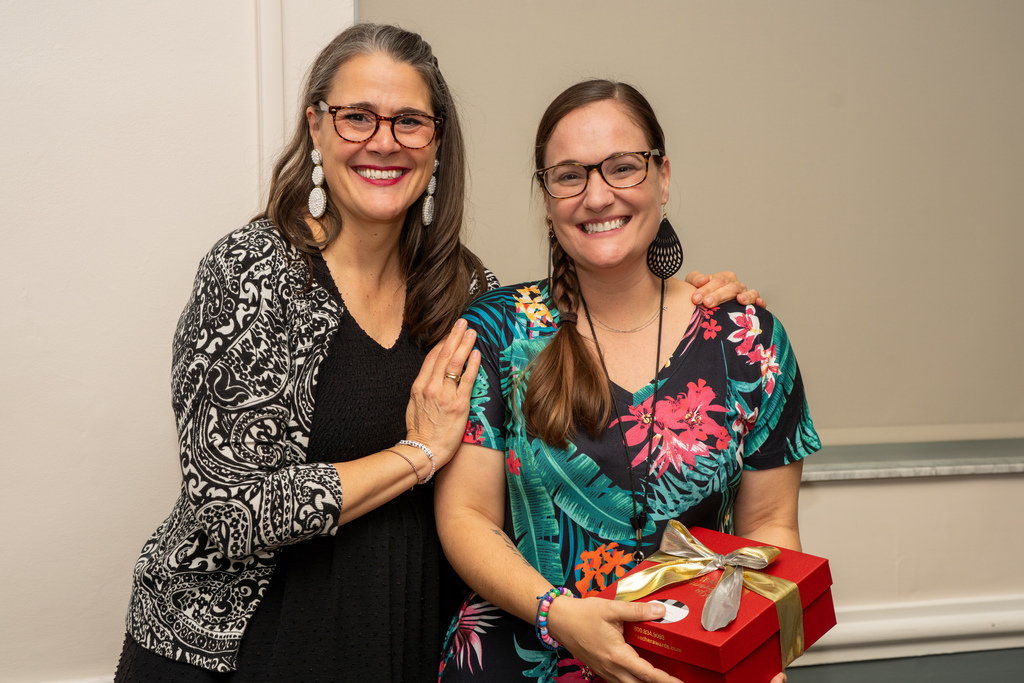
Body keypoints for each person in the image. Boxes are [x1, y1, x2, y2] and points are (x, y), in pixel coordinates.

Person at [113, 25, 762, 683]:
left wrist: (701, 309)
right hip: (244, 653)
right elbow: (227, 512)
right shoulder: (253, 273)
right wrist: (415, 454)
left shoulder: (464, 288)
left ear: (438, 141)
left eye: (409, 121)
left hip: (402, 643)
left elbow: (555, 385)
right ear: (316, 127)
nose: (384, 141)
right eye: (356, 117)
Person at [435, 80, 820, 683]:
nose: (597, 195)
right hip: (520, 661)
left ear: (663, 177)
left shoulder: (748, 338)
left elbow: (769, 526)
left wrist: (758, 650)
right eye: (569, 176)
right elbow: (465, 516)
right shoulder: (497, 333)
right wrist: (557, 615)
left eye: (622, 168)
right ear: (546, 195)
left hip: (689, 667)